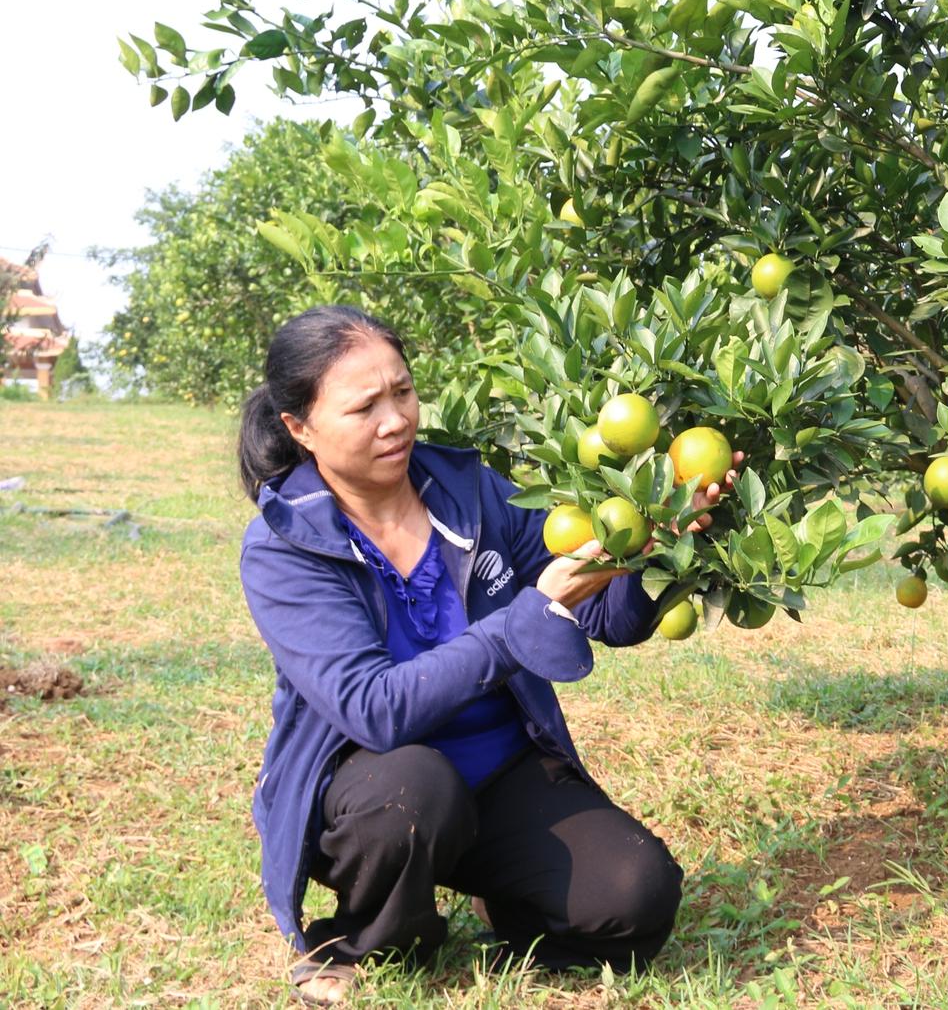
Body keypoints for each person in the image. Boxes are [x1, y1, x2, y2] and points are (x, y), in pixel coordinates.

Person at [236, 305, 742, 1006]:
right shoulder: (287, 545)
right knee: (417, 785)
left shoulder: (468, 489)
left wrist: (653, 546)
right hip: (372, 792)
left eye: (404, 392)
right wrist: (525, 619)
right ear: (300, 426)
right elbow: (373, 710)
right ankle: (365, 936)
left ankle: (501, 898)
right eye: (365, 407)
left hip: (500, 771)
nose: (396, 420)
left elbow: (605, 615)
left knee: (637, 895)